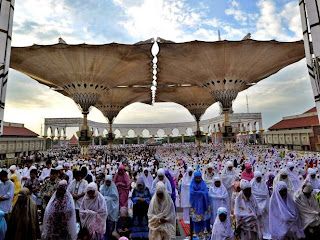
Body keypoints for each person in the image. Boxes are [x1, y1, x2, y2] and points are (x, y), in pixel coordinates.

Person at [189, 171, 211, 238]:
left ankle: (204, 234)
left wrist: (198, 193)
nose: (198, 180)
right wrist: (201, 193)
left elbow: (206, 193)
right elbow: (192, 193)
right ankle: (196, 233)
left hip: (203, 205)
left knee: (204, 219)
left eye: (199, 178)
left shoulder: (203, 184)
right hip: (195, 205)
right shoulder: (192, 184)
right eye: (196, 178)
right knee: (196, 220)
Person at [250, 171, 271, 239]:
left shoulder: (263, 184)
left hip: (264, 204)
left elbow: (266, 195)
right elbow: (252, 195)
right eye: (257, 178)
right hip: (255, 204)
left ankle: (264, 232)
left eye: (260, 178)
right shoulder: (252, 184)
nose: (259, 179)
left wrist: (265, 205)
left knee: (264, 219)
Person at [100, 175, 119, 240]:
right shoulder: (103, 188)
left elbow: (115, 199)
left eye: (109, 182)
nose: (107, 183)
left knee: (110, 227)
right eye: (106, 182)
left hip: (112, 211)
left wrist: (107, 200)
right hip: (104, 210)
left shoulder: (113, 188)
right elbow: (101, 197)